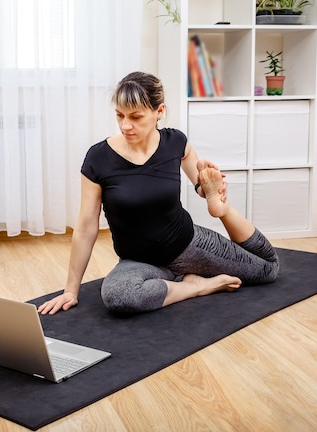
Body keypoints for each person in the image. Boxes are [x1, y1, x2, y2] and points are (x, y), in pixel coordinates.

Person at [38, 71, 279, 315]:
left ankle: (224, 213)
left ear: (159, 112)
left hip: (188, 244)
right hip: (139, 262)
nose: (125, 125)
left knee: (268, 269)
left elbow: (200, 186)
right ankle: (194, 286)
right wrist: (71, 291)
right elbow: (86, 226)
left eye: (135, 117)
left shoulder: (175, 142)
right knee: (118, 295)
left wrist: (209, 188)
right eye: (119, 115)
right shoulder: (98, 158)